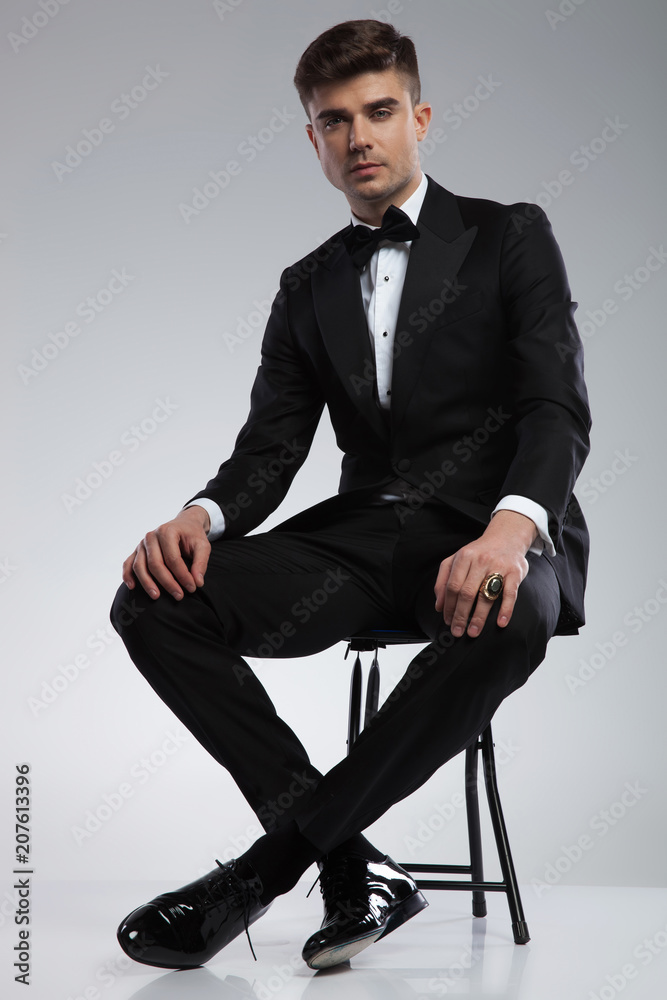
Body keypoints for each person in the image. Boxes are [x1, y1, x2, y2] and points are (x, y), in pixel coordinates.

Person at [111, 19, 590, 972]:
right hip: (368, 542)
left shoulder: (509, 234)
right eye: (334, 122)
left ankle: (265, 872)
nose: (357, 137)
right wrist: (199, 517)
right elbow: (269, 451)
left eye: (378, 112)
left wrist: (507, 531)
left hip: (500, 531)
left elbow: (555, 408)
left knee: (508, 615)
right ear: (313, 140)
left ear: (419, 118)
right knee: (152, 601)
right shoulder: (306, 286)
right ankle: (355, 863)